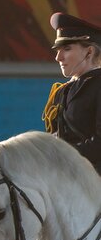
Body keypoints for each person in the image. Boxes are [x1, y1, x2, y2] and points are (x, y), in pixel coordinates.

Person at [42, 12, 101, 173]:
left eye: (66, 49)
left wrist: (63, 156)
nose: (58, 57)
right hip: (66, 177)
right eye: (58, 50)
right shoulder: (61, 91)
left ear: (89, 52)